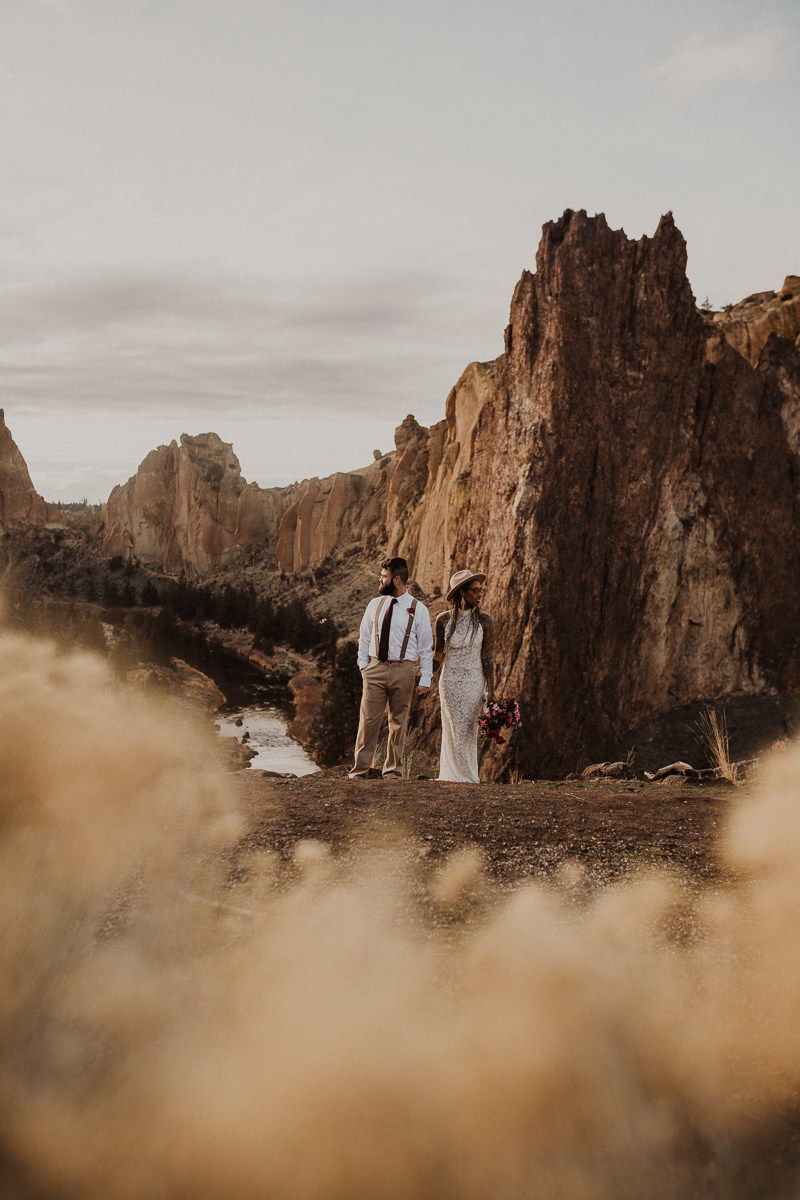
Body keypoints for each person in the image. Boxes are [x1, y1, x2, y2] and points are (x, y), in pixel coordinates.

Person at [348, 557, 433, 780]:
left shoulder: (419, 609)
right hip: (374, 668)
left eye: (384, 576)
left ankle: (393, 772)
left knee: (398, 721)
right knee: (368, 721)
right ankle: (359, 771)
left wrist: (426, 679)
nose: (380, 579)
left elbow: (426, 648)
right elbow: (364, 638)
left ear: (396, 580)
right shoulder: (375, 605)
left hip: (403, 670)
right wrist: (363, 666)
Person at [433, 569, 494, 783]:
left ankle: (467, 775)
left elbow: (487, 658)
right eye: (475, 590)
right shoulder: (442, 620)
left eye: (481, 590)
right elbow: (438, 653)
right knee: (453, 729)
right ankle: (453, 776)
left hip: (474, 683)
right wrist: (428, 678)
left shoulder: (485, 621)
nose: (480, 594)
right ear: (461, 592)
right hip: (449, 682)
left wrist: (491, 690)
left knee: (468, 730)